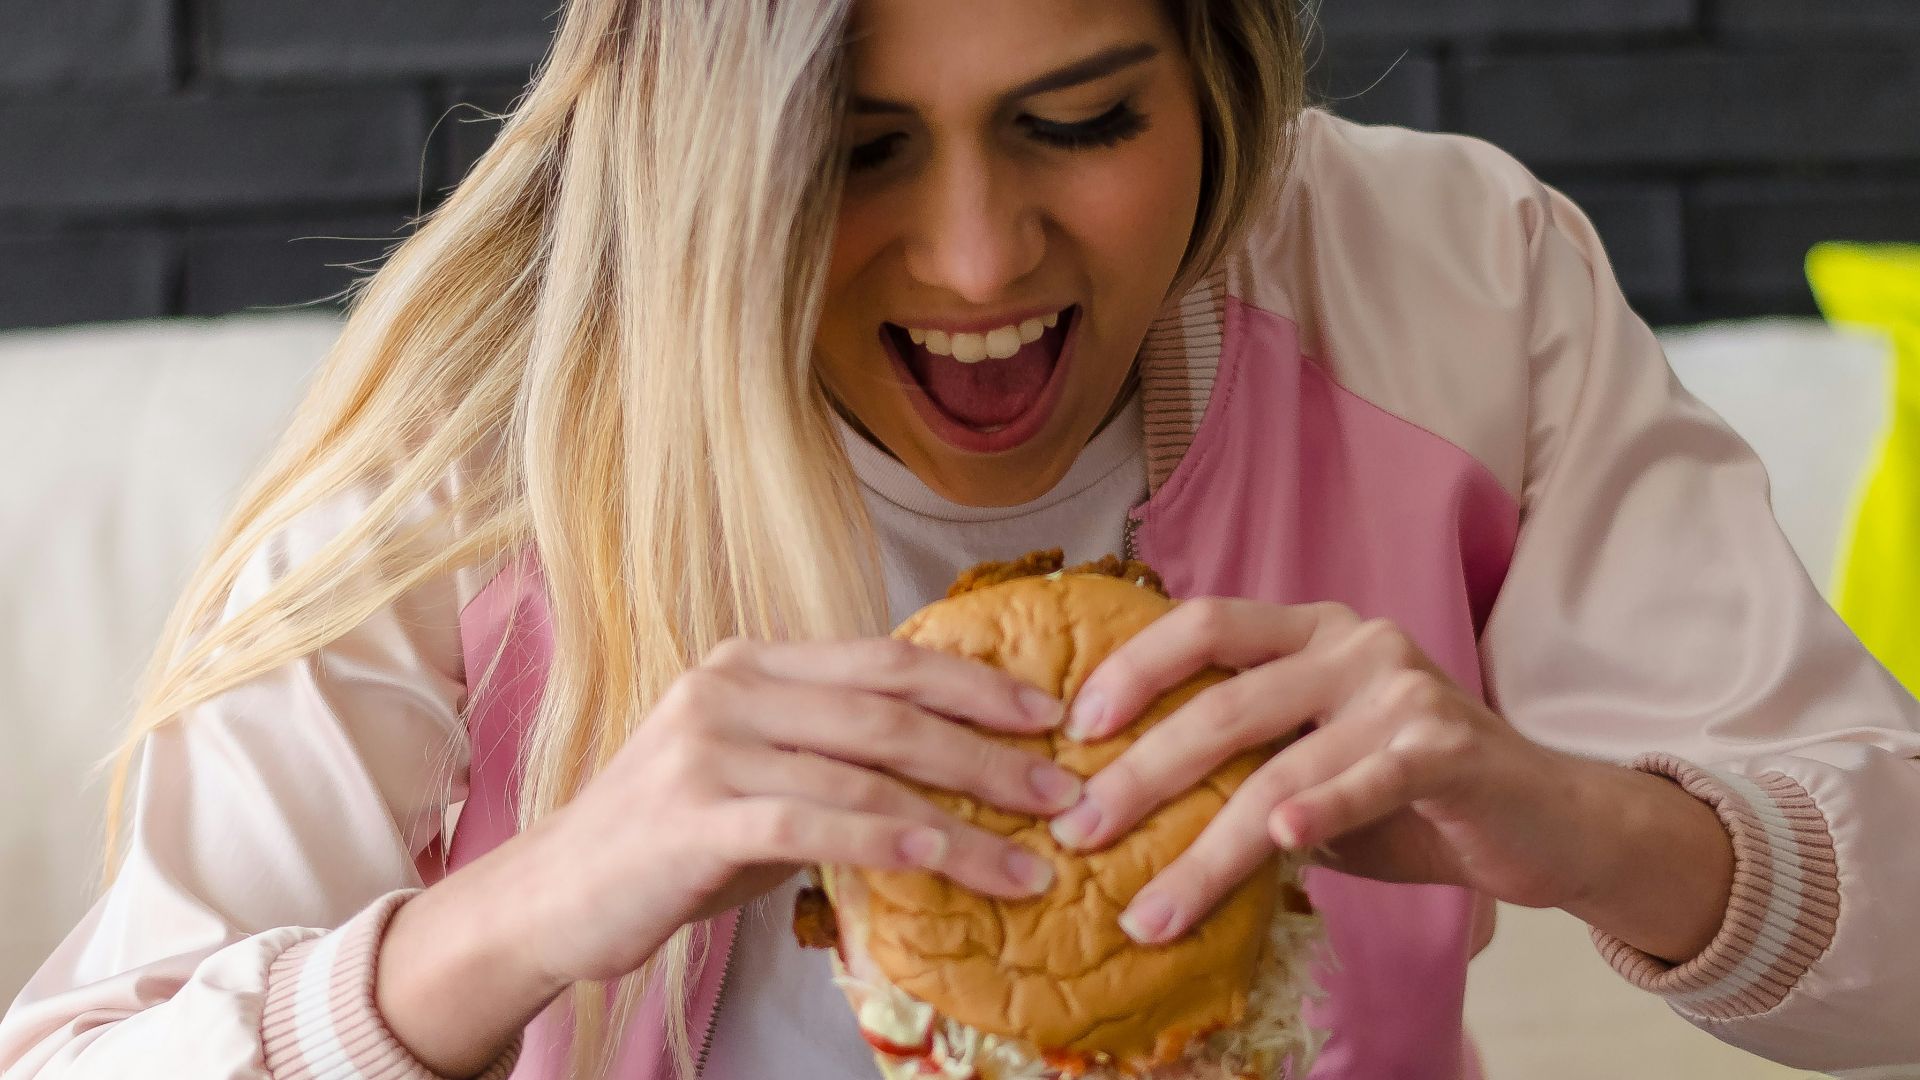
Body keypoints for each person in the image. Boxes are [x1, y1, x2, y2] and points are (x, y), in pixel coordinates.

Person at [4, 0, 1917, 1078]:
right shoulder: (483, 438)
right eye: (852, 155)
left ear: (1224, 68)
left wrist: (1583, 820)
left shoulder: (1451, 285)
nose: (980, 263)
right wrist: (522, 915)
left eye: (1081, 120)